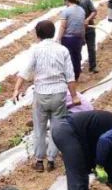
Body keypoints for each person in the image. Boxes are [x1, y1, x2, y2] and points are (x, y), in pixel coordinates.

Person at [11, 20, 81, 172]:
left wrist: (16, 89)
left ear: (38, 34)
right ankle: (51, 160)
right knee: (56, 128)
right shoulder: (62, 50)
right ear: (53, 32)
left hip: (41, 94)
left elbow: (24, 71)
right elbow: (70, 76)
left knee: (39, 128)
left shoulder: (36, 50)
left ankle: (38, 161)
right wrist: (74, 96)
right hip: (59, 94)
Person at [56, 0, 87, 80]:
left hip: (68, 38)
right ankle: (76, 75)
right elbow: (83, 25)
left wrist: (58, 38)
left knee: (68, 58)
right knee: (77, 56)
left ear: (66, 0)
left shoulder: (66, 11)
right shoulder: (81, 10)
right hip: (78, 38)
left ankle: (68, 77)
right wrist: (83, 38)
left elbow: (62, 26)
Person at [77, 0, 99, 73]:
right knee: (77, 49)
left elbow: (94, 11)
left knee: (91, 48)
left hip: (89, 28)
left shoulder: (86, 0)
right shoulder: (70, 5)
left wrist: (87, 19)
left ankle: (93, 66)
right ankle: (77, 67)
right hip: (78, 30)